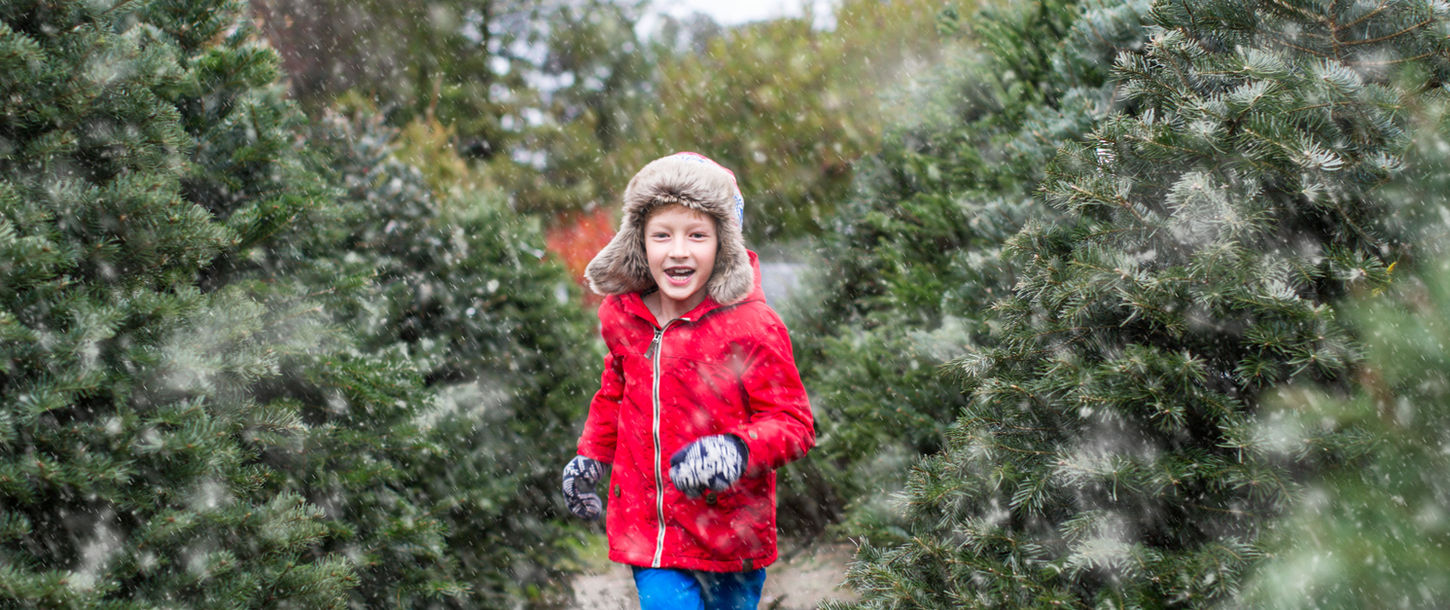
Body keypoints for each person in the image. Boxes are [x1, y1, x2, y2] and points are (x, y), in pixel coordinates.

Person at [561, 152, 816, 610]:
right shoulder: (624, 316)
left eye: (697, 235)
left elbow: (793, 423)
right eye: (662, 235)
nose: (678, 250)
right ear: (639, 242)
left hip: (730, 534)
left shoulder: (752, 327)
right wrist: (592, 456)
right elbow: (614, 394)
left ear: (724, 245)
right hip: (651, 533)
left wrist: (737, 450)